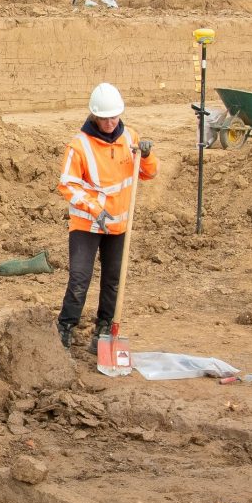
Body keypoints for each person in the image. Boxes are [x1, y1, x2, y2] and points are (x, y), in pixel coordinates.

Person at [54, 82, 156, 351]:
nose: (110, 122)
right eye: (104, 117)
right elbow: (67, 184)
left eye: (114, 116)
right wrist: (95, 210)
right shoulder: (79, 146)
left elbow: (148, 173)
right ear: (94, 116)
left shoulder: (130, 139)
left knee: (113, 280)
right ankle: (65, 328)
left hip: (118, 225)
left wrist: (146, 155)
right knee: (79, 278)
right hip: (87, 224)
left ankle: (103, 331)